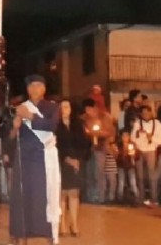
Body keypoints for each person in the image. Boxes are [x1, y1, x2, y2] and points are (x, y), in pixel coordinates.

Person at [9, 75, 60, 245]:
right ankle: (20, 233)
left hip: (43, 157)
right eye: (31, 86)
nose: (35, 89)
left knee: (44, 195)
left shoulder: (52, 107)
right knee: (22, 195)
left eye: (38, 85)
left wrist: (31, 117)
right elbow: (10, 137)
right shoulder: (20, 107)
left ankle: (47, 233)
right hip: (24, 157)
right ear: (27, 89)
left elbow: (51, 126)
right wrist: (15, 127)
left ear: (44, 89)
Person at [55, 100, 88, 237]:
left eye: (67, 106)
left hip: (76, 162)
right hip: (61, 162)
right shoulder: (55, 126)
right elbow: (55, 145)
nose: (65, 109)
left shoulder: (78, 125)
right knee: (62, 194)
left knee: (74, 194)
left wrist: (78, 159)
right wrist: (66, 158)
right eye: (62, 107)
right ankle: (62, 224)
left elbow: (85, 144)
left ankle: (74, 224)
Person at [131, 105, 161, 207]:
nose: (145, 115)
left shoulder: (158, 124)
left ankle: (154, 199)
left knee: (152, 176)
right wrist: (138, 135)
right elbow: (132, 138)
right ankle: (141, 198)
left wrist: (151, 137)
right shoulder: (137, 123)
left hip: (151, 150)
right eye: (143, 113)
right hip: (140, 150)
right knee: (140, 176)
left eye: (147, 112)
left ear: (151, 113)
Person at [82, 98, 114, 204]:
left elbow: (110, 132)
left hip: (101, 148)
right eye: (86, 109)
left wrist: (97, 133)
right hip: (88, 148)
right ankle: (91, 196)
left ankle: (101, 197)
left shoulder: (105, 117)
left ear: (94, 107)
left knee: (99, 173)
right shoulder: (83, 119)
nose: (88, 112)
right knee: (89, 172)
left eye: (90, 109)